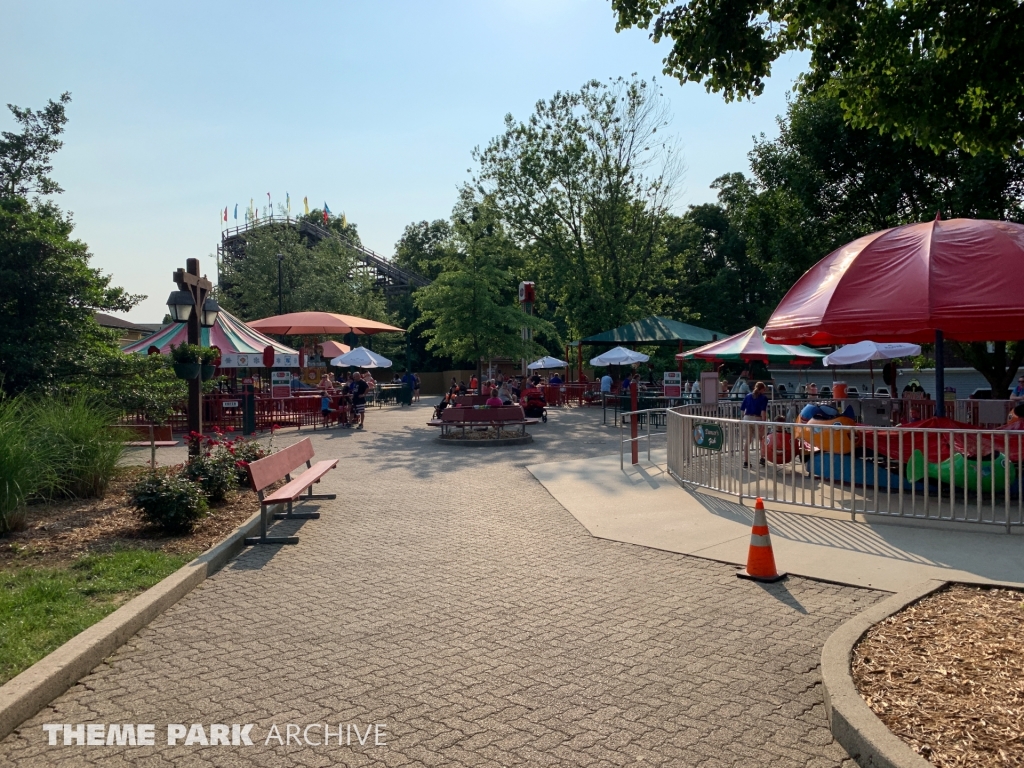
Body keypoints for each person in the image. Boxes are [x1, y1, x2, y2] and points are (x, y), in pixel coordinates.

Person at [741, 381, 769, 468]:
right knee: (762, 439)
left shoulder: (748, 396)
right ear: (762, 389)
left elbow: (742, 409)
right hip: (757, 418)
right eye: (764, 389)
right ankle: (762, 458)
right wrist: (763, 423)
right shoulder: (763, 398)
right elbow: (763, 412)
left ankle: (746, 461)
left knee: (748, 441)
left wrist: (744, 418)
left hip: (747, 418)